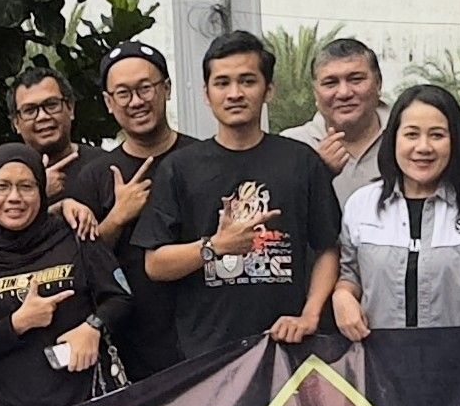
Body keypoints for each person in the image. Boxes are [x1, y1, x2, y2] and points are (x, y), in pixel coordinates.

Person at [136, 31, 344, 363]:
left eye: (247, 81)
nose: (234, 93)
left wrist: (309, 315)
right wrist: (214, 246)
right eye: (222, 83)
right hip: (207, 354)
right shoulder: (179, 168)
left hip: (288, 349)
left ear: (268, 90)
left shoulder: (301, 161)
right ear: (206, 94)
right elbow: (155, 264)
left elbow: (327, 248)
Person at [332, 84, 460, 338]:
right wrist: (342, 296)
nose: (423, 147)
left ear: (455, 140)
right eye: (411, 134)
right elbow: (350, 273)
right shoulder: (362, 205)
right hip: (379, 364)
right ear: (393, 139)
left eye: (437, 135)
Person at [0, 145, 131, 406]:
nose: (14, 198)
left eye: (26, 186)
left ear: (41, 189)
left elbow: (121, 298)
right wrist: (18, 322)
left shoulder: (76, 234)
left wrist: (93, 327)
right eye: (2, 186)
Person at [64, 44, 182, 374]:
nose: (137, 101)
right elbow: (79, 268)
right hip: (130, 343)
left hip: (200, 337)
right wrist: (117, 217)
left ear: (166, 89)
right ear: (108, 102)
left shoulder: (200, 159)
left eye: (145, 87)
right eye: (123, 92)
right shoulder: (94, 175)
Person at [280, 37, 388, 204]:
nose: (344, 93)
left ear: (378, 84)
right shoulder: (291, 146)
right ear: (315, 93)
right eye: (330, 83)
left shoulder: (405, 140)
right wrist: (316, 170)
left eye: (356, 79)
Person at [6, 67, 88, 197]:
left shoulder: (105, 165)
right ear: (16, 123)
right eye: (30, 110)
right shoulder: (2, 175)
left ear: (70, 108)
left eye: (51, 105)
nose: (42, 116)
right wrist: (39, 194)